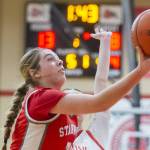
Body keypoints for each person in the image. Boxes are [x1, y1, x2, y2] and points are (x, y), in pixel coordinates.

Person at [2, 29, 150, 150]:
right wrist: (140, 71)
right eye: (50, 59)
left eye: (57, 58)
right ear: (35, 73)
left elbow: (100, 84)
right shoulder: (40, 98)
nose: (60, 61)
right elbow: (99, 102)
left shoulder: (76, 133)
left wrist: (105, 43)